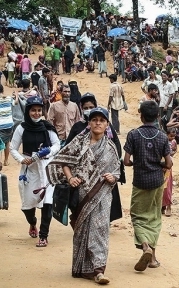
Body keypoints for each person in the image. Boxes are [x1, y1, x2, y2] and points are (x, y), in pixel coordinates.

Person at [47, 107, 120, 284]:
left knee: (100, 229)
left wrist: (113, 177)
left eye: (101, 120)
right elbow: (62, 159)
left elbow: (117, 170)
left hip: (102, 195)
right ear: (89, 123)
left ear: (107, 125)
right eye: (94, 120)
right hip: (82, 195)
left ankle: (99, 269)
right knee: (82, 231)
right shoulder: (79, 141)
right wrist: (70, 177)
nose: (97, 123)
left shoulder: (111, 147)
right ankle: (82, 268)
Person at [123, 100, 173, 272]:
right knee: (154, 217)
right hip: (157, 182)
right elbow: (169, 163)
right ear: (157, 116)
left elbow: (126, 161)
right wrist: (157, 163)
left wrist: (139, 162)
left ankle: (145, 246)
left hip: (140, 181)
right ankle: (152, 257)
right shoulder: (162, 136)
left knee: (137, 216)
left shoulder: (133, 134)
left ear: (141, 115)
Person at [10, 96, 60, 247]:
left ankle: (44, 236)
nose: (37, 113)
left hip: (46, 169)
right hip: (29, 170)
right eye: (33, 110)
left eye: (39, 110)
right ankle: (32, 222)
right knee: (28, 205)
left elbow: (57, 144)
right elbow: (13, 148)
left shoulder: (47, 127)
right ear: (28, 111)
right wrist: (21, 159)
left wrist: (47, 153)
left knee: (47, 203)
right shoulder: (22, 128)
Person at [66, 93, 123, 223]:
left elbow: (117, 150)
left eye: (91, 107)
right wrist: (71, 176)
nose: (98, 123)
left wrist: (110, 168)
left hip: (103, 182)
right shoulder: (78, 130)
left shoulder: (109, 135)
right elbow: (66, 156)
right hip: (83, 185)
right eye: (85, 107)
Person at [0, 85, 18, 166]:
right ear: (2, 90)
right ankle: (6, 160)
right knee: (7, 142)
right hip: (9, 124)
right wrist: (16, 95)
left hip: (0, 125)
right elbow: (16, 102)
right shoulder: (8, 98)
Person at [163, 127, 178, 217]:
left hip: (168, 166)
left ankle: (168, 206)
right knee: (161, 187)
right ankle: (162, 206)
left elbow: (175, 149)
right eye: (170, 136)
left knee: (167, 187)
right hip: (161, 166)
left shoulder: (174, 142)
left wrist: (171, 153)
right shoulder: (163, 141)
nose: (172, 138)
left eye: (173, 136)